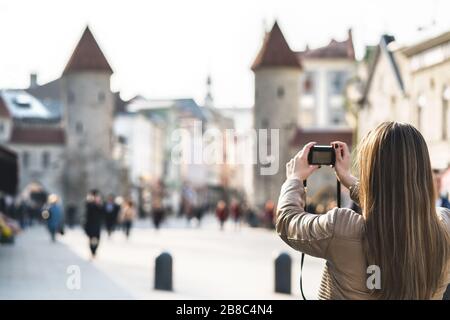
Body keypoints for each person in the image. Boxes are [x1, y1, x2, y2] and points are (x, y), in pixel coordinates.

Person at [277, 122, 450, 299]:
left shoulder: (341, 228)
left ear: (370, 172)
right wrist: (348, 179)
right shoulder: (444, 230)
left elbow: (287, 221)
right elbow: (398, 204)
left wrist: (294, 179)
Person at [84, 190, 104, 259]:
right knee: (91, 239)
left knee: (97, 239)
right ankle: (92, 252)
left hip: (97, 224)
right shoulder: (89, 204)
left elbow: (102, 213)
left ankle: (94, 252)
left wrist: (99, 204)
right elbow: (87, 210)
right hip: (90, 224)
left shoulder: (100, 204)